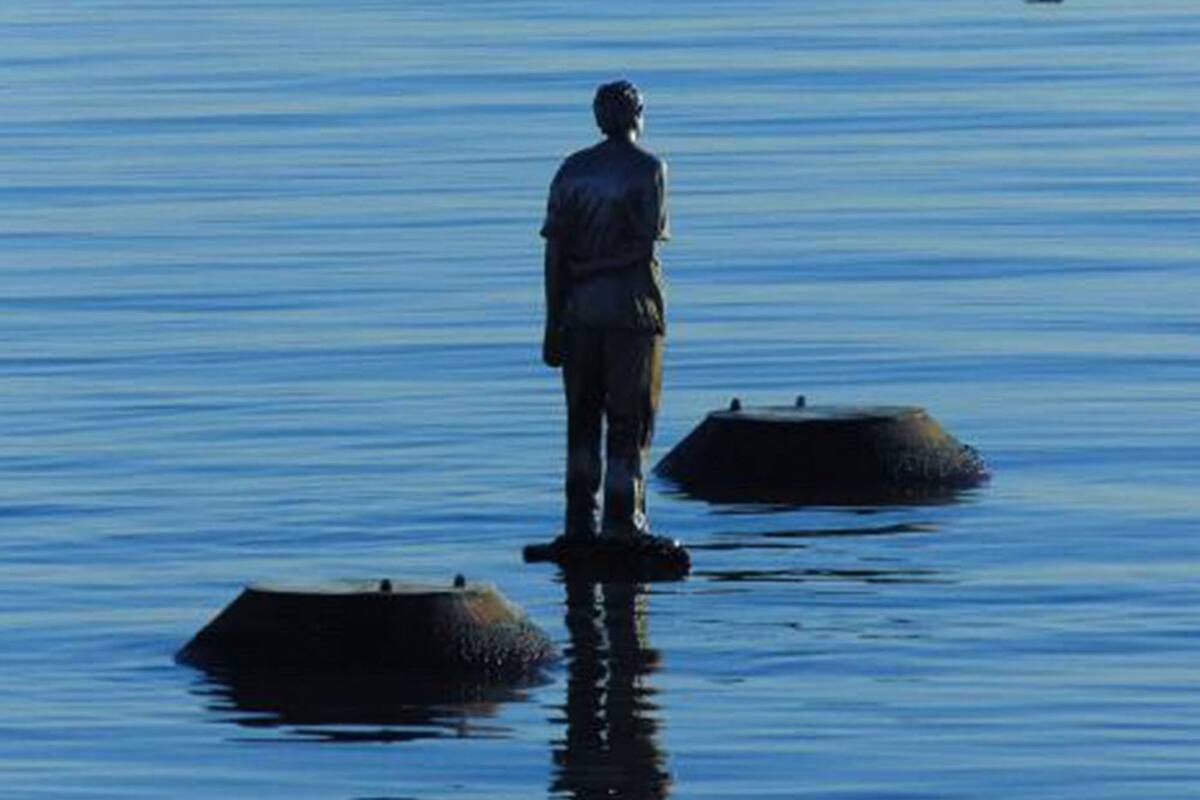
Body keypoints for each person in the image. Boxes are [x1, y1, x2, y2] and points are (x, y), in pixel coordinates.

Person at [540, 80, 670, 543]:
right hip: (632, 313)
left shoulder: (571, 171)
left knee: (581, 416)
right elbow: (642, 245)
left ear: (599, 118)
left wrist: (552, 323)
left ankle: (579, 521)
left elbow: (554, 256)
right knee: (630, 419)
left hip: (579, 314)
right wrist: (602, 265)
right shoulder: (648, 169)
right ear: (639, 114)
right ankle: (624, 520)